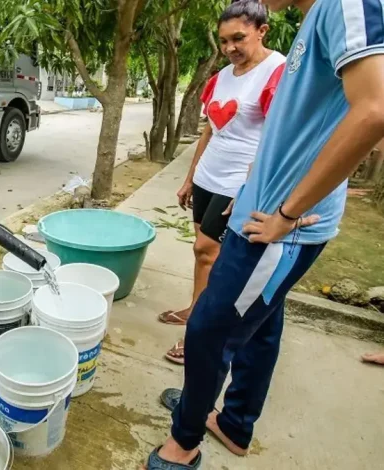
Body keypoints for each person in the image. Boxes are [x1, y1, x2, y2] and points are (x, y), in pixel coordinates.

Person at [145, 0, 384, 467]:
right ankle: (232, 423)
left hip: (275, 230)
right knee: (260, 326)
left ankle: (183, 442)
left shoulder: (346, 5)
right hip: (259, 210)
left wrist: (287, 214)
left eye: (239, 37)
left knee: (210, 328)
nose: (231, 45)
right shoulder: (315, 19)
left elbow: (374, 111)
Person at [160, 1, 286, 366]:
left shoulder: (276, 71)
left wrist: (251, 189)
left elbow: (276, 138)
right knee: (203, 254)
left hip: (238, 181)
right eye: (224, 41)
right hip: (208, 176)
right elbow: (210, 130)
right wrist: (189, 177)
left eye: (239, 38)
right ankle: (195, 309)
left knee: (206, 250)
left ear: (262, 31)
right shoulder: (222, 76)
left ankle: (197, 334)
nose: (230, 47)